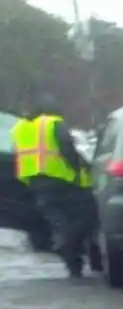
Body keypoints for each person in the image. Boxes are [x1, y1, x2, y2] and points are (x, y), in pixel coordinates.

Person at [12, 100, 95, 278]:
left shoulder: (19, 128)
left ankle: (72, 262)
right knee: (83, 219)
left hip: (35, 182)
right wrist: (79, 169)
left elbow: (16, 153)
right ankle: (68, 246)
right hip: (63, 181)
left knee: (57, 220)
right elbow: (68, 149)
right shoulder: (52, 123)